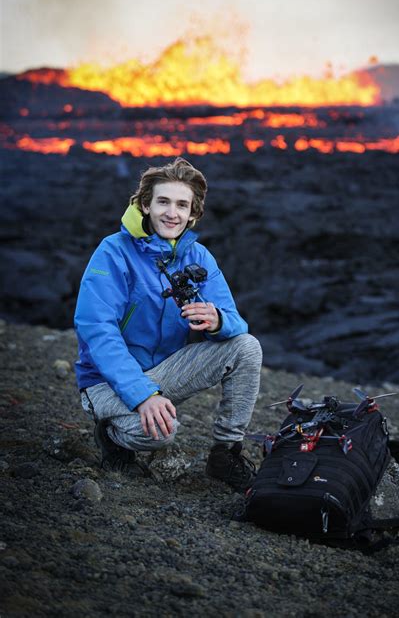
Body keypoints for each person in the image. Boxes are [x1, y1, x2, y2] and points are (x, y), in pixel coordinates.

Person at [74, 157, 262, 491]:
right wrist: (143, 394)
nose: (171, 213)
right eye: (163, 201)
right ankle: (112, 434)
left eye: (181, 205)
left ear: (193, 213)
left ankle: (225, 454)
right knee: (160, 433)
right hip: (104, 381)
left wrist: (218, 321)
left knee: (247, 347)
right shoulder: (113, 252)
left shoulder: (199, 257)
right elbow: (97, 330)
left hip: (163, 375)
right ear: (145, 204)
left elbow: (236, 322)